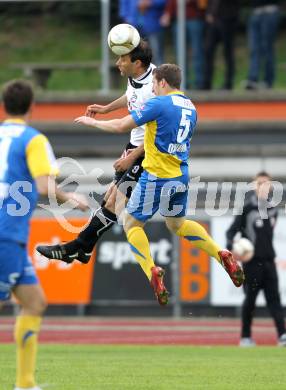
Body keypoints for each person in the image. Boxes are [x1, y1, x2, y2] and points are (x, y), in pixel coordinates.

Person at [71, 63, 244, 305]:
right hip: (181, 176)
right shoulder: (191, 107)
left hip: (156, 176)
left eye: (153, 83)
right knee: (178, 225)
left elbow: (122, 126)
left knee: (131, 224)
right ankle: (220, 253)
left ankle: (152, 269)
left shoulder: (158, 103)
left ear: (162, 82)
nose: (152, 87)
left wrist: (93, 123)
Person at [0, 80, 88, 390]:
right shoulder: (32, 139)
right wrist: (71, 199)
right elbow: (42, 186)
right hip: (5, 232)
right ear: (32, 106)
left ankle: (25, 384)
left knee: (35, 302)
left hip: (10, 235)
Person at [37, 40, 155, 264]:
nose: (117, 62)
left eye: (122, 59)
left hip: (145, 152)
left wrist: (132, 157)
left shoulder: (155, 88)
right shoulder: (138, 75)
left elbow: (158, 133)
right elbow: (131, 95)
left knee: (114, 202)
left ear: (137, 63)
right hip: (133, 147)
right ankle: (83, 250)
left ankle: (75, 248)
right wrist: (106, 108)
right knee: (109, 198)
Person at [226, 171, 286, 347]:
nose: (263, 187)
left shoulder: (273, 209)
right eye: (260, 183)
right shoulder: (246, 208)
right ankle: (245, 337)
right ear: (254, 186)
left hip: (269, 262)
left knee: (274, 300)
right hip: (252, 264)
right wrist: (234, 251)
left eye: (266, 183)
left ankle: (282, 335)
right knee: (250, 301)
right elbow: (230, 233)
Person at [160, 0, 206, 89]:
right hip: (179, 21)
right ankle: (183, 83)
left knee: (197, 53)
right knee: (180, 54)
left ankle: (199, 84)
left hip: (194, 19)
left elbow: (203, 4)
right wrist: (168, 13)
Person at [203, 0, 239, 90]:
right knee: (208, 51)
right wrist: (209, 13)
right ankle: (206, 83)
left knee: (228, 52)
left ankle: (228, 83)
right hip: (213, 21)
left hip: (227, 20)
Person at [244, 1, 280, 90]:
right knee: (254, 48)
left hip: (269, 11)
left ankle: (268, 81)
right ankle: (253, 79)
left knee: (267, 48)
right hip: (255, 12)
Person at [137, 0, 166, 65]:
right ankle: (147, 74)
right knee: (141, 56)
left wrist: (150, 3)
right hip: (137, 27)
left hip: (154, 27)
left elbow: (164, 2)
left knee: (156, 55)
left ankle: (159, 74)